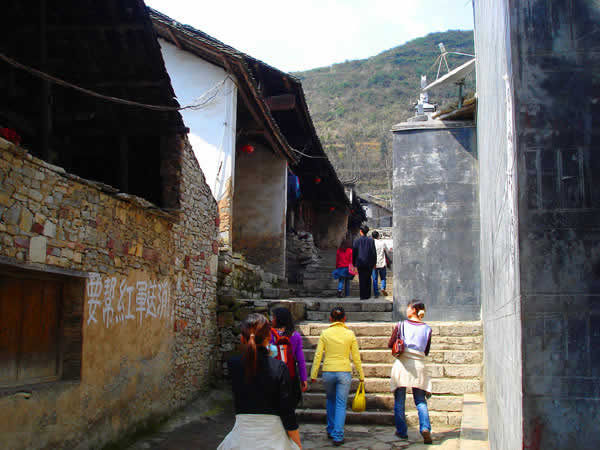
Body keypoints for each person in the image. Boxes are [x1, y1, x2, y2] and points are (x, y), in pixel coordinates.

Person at [219, 313, 302, 450]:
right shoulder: (279, 367)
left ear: (242, 338)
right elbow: (287, 411)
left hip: (241, 436)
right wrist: (297, 443)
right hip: (273, 436)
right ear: (269, 338)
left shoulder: (233, 365)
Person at [310, 307, 365, 446]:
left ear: (330, 319)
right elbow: (356, 357)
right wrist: (361, 375)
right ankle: (338, 435)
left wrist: (313, 373)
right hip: (344, 371)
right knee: (341, 403)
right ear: (344, 319)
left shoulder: (325, 333)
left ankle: (330, 428)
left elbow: (318, 355)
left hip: (328, 371)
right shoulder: (350, 334)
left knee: (330, 400)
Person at [387, 300, 433, 445]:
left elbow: (390, 344)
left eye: (408, 308)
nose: (406, 310)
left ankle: (402, 432)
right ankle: (425, 428)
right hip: (419, 366)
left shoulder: (401, 325)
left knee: (399, 401)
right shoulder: (427, 329)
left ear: (413, 309)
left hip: (402, 365)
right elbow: (426, 350)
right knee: (420, 400)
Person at [270, 307, 309, 407]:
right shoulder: (295, 336)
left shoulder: (269, 335)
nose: (271, 320)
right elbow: (300, 359)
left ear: (279, 319)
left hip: (273, 375)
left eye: (273, 317)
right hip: (289, 375)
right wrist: (303, 378)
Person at [352, 225, 377, 300]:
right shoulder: (371, 240)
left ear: (361, 231)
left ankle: (362, 295)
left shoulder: (356, 240)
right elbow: (373, 253)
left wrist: (354, 263)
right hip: (369, 263)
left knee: (361, 279)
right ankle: (367, 295)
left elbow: (354, 253)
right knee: (368, 278)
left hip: (360, 262)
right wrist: (374, 263)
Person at [371, 230, 389, 298]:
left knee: (375, 279)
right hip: (382, 263)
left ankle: (376, 293)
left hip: (374, 264)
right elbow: (387, 251)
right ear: (378, 236)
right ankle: (382, 288)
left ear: (372, 236)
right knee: (383, 278)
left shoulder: (371, 243)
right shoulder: (382, 243)